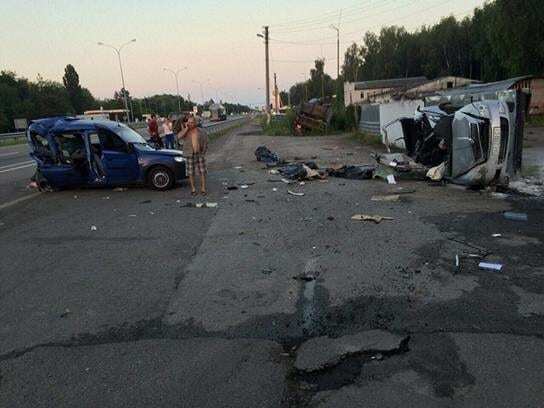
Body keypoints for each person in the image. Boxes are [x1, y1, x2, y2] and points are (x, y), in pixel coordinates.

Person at [177, 116, 208, 196]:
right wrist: (186, 128)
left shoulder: (200, 131)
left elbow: (205, 141)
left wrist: (204, 151)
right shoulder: (186, 131)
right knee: (191, 172)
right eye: (188, 122)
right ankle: (193, 189)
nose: (190, 124)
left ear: (195, 123)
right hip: (189, 154)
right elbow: (178, 137)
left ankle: (203, 188)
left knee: (202, 171)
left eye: (191, 122)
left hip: (200, 154)